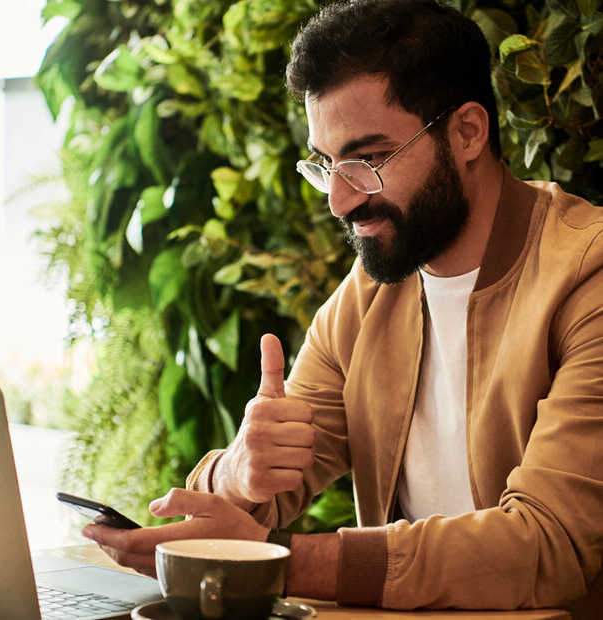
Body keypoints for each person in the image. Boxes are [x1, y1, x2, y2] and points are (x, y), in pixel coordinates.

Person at [83, 0, 603, 616]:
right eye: (327, 163)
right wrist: (240, 474)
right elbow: (263, 494)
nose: (338, 199)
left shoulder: (586, 274)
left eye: (369, 159)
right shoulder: (369, 295)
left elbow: (549, 544)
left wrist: (278, 560)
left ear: (467, 132)